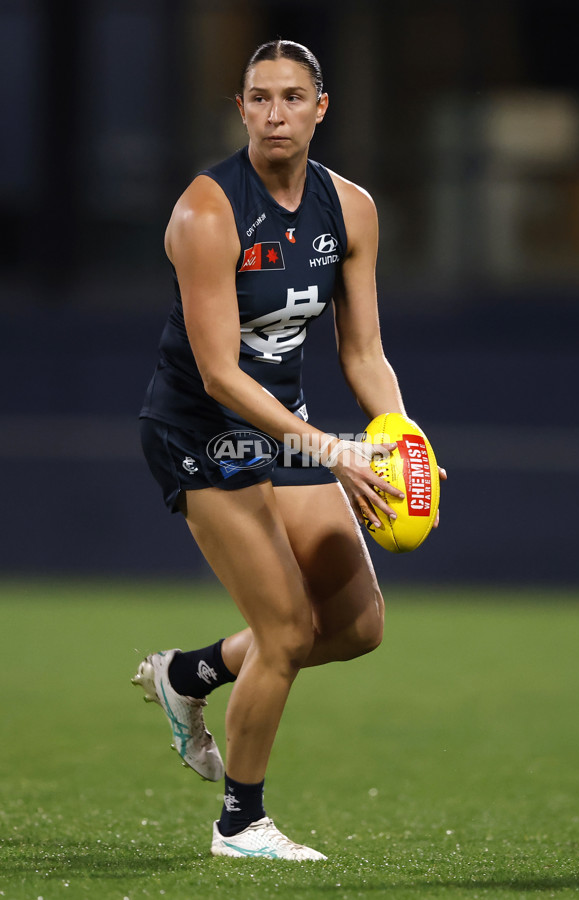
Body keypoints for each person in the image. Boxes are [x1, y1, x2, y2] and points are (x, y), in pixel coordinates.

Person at [133, 38, 445, 860]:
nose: (276, 113)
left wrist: (397, 439)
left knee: (357, 623)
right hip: (202, 432)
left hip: (283, 423)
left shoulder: (351, 209)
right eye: (260, 98)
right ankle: (241, 825)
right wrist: (334, 453)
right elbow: (220, 373)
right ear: (240, 110)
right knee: (286, 631)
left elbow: (363, 352)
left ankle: (188, 674)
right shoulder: (207, 211)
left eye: (292, 97)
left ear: (320, 109)